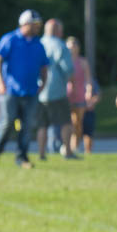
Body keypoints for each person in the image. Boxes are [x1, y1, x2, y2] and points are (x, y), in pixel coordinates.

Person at [0, 10, 49, 168]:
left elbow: (44, 66)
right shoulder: (10, 39)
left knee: (28, 125)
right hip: (11, 90)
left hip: (31, 91)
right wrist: (0, 82)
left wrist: (43, 83)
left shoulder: (38, 44)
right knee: (8, 122)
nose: (38, 28)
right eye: (35, 24)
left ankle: (22, 158)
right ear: (25, 24)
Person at [37, 19, 76, 160]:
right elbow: (68, 69)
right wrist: (71, 83)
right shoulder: (60, 45)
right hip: (57, 89)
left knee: (43, 124)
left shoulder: (38, 44)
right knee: (66, 121)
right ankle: (68, 152)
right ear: (58, 31)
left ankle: (41, 154)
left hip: (40, 91)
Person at [65, 37, 97, 155]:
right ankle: (67, 145)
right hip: (67, 96)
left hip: (79, 96)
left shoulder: (83, 62)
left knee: (77, 123)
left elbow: (88, 79)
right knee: (68, 123)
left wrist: (89, 91)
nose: (71, 48)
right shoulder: (64, 61)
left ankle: (75, 146)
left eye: (74, 45)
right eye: (69, 45)